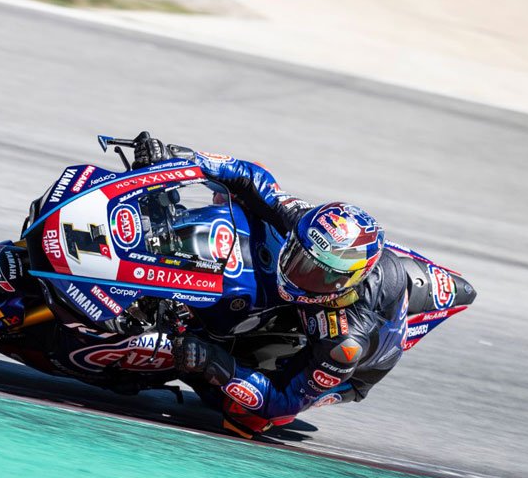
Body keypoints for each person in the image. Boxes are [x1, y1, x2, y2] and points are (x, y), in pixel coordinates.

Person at [133, 134, 410, 439]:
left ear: (346, 284)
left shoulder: (343, 343)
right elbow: (254, 178)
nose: (299, 276)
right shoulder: (309, 227)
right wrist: (182, 161)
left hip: (352, 368)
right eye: (299, 257)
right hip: (315, 303)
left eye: (318, 275)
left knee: (247, 416)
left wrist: (216, 363)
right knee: (242, 198)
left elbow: (282, 403)